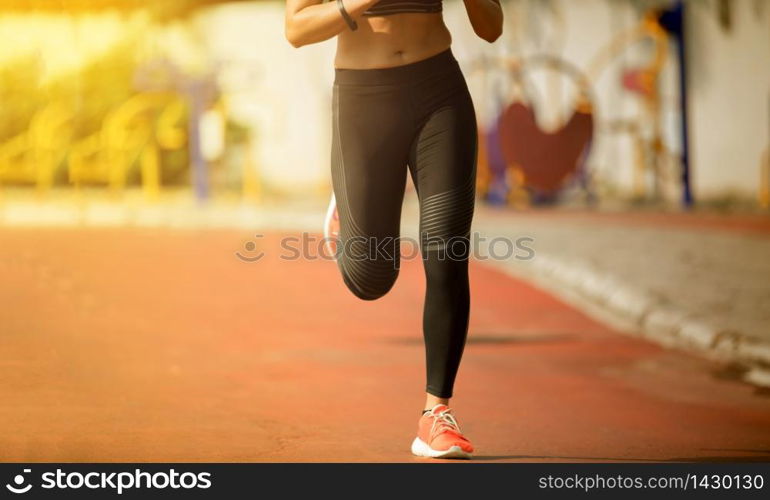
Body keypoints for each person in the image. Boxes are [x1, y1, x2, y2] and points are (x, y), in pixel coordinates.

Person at [285, 0, 503, 459]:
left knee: (446, 249)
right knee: (370, 279)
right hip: (365, 99)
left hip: (440, 92)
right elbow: (297, 28)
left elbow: (491, 28)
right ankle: (349, 205)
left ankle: (436, 414)